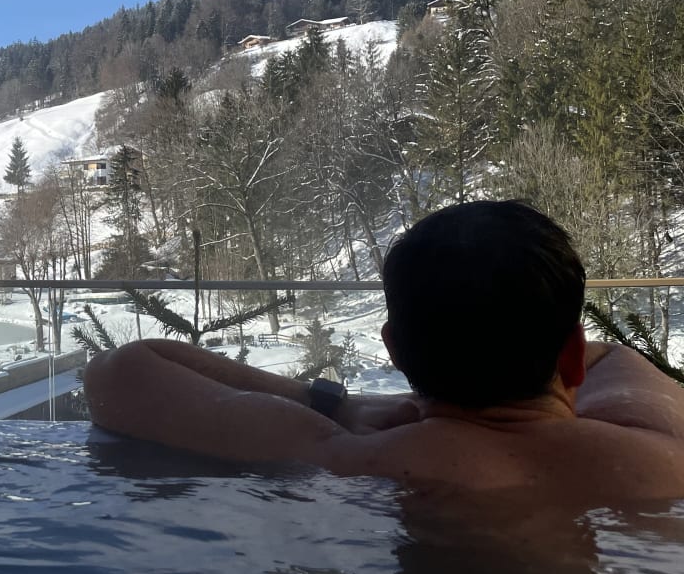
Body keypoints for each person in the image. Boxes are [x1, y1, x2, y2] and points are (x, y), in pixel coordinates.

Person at [84, 200, 684, 498]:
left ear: (395, 350)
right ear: (572, 353)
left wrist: (337, 405)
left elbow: (120, 371)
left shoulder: (344, 459)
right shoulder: (664, 456)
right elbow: (615, 359)